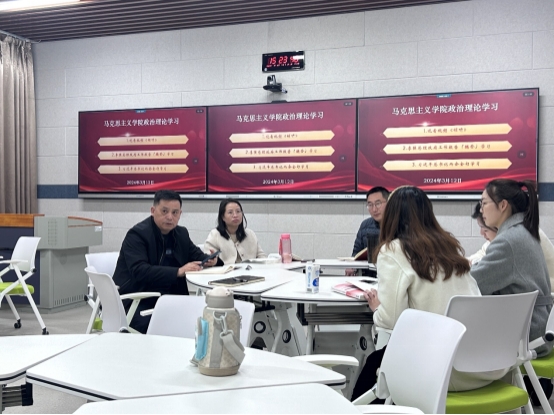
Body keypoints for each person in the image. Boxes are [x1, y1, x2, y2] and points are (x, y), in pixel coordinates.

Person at [352, 186, 481, 400]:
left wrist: (377, 309)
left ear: (391, 216)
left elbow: (391, 320)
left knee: (373, 367)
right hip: (481, 364)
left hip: (437, 370)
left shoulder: (393, 250)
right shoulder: (449, 247)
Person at [113, 189, 218, 333]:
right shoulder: (137, 235)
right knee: (177, 326)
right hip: (137, 299)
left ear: (180, 214)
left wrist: (210, 260)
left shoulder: (181, 234)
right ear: (153, 210)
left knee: (206, 319)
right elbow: (140, 271)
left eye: (175, 212)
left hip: (170, 299)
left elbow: (197, 256)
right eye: (164, 211)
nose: (170, 217)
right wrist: (178, 271)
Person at [471, 179, 553, 357]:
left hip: (527, 333)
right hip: (539, 327)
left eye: (484, 203)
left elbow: (474, 282)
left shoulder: (509, 240)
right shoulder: (523, 231)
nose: (481, 209)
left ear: (503, 205)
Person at [469, 201, 554, 291]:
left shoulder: (513, 238)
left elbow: (477, 279)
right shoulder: (521, 229)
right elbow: (482, 252)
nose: (481, 233)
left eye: (485, 229)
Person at [204, 199, 266, 264]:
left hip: (250, 269)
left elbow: (261, 257)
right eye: (230, 212)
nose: (235, 215)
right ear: (223, 217)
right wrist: (213, 260)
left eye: (238, 211)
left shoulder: (250, 234)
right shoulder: (215, 235)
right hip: (225, 270)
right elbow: (208, 258)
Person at [345, 186, 390, 276]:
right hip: (368, 277)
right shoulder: (365, 225)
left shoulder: (399, 225)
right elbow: (356, 253)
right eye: (370, 205)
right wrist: (351, 265)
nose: (374, 209)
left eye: (378, 204)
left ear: (389, 203)